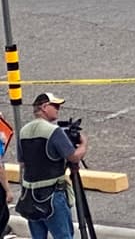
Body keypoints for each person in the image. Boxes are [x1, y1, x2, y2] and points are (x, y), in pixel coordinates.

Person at [18, 93, 86, 239]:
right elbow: (73, 157)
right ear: (44, 107)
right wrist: (84, 144)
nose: (58, 109)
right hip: (52, 196)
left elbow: (24, 162)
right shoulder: (53, 131)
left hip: (30, 196)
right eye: (55, 106)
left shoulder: (23, 131)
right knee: (63, 236)